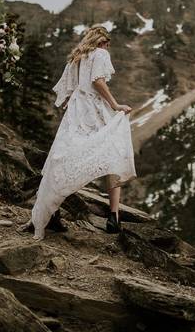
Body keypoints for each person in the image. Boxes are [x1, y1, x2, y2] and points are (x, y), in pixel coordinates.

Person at [23, 25, 136, 239]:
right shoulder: (101, 54)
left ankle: (52, 212)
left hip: (76, 112)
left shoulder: (77, 58)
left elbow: (68, 90)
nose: (108, 47)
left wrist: (72, 101)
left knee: (64, 159)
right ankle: (114, 217)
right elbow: (98, 81)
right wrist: (114, 104)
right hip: (94, 110)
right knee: (112, 156)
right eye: (107, 43)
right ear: (103, 42)